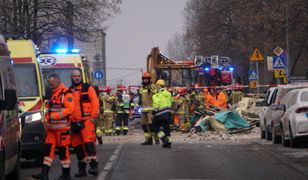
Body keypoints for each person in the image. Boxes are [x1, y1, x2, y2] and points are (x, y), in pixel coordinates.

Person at [32, 74, 75, 180]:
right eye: (49, 84)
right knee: (48, 151)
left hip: (62, 130)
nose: (50, 86)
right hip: (51, 130)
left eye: (52, 84)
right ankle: (44, 173)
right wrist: (46, 120)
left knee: (63, 152)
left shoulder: (66, 93)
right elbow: (49, 109)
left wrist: (54, 116)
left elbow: (70, 109)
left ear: (58, 81)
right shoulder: (53, 94)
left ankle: (66, 174)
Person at [69, 69, 100, 177]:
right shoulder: (69, 91)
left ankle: (94, 167)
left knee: (89, 144)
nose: (77, 78)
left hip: (87, 121)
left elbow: (95, 103)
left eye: (78, 76)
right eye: (74, 76)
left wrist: (93, 117)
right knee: (77, 147)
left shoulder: (88, 88)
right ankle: (82, 170)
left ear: (81, 77)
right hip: (74, 122)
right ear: (72, 78)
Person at [139, 72, 159, 145]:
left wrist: (156, 108)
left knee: (151, 126)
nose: (145, 80)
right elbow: (141, 97)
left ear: (149, 79)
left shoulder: (152, 86)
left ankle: (156, 139)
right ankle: (148, 140)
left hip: (151, 110)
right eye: (144, 79)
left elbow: (157, 96)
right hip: (144, 109)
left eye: (146, 79)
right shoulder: (142, 88)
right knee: (144, 125)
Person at [152, 79, 173, 148]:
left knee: (155, 127)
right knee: (166, 128)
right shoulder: (168, 94)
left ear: (158, 86)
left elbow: (156, 103)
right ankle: (168, 143)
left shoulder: (157, 94)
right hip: (168, 114)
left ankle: (164, 139)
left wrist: (154, 111)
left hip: (160, 114)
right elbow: (171, 102)